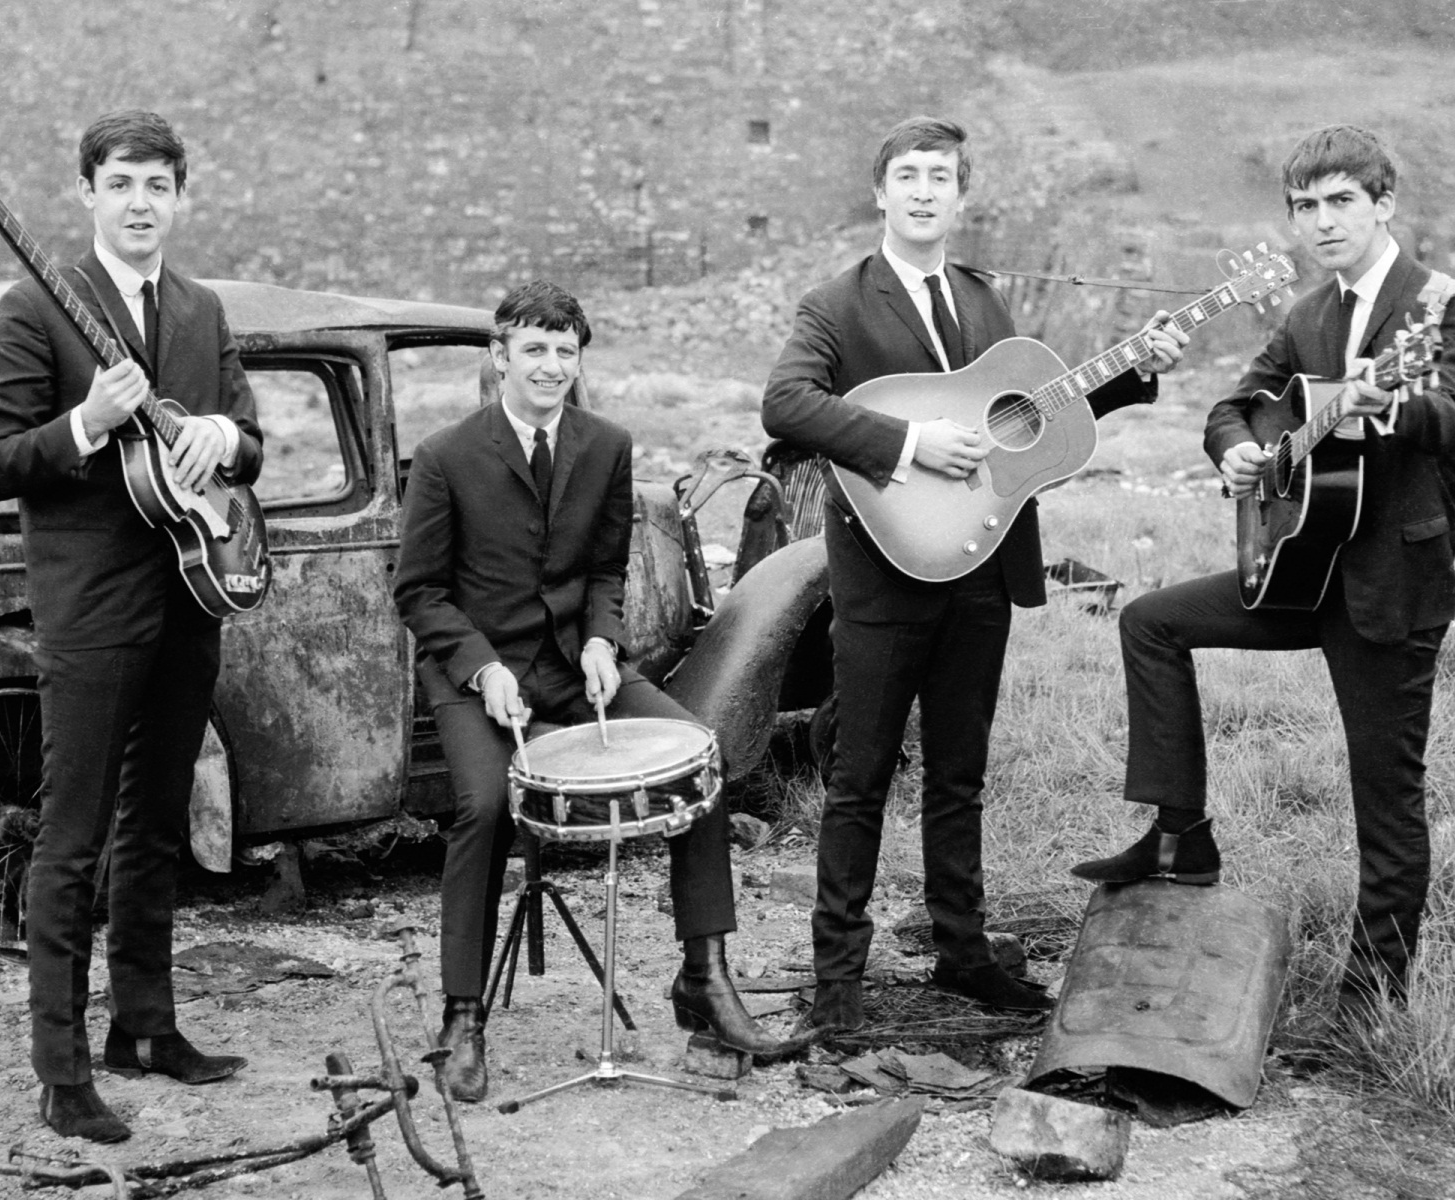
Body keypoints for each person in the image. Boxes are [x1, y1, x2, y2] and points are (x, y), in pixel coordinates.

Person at [761, 116, 1186, 1032]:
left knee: (961, 776)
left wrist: (1134, 370)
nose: (924, 191)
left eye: (941, 177)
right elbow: (786, 404)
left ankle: (963, 953)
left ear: (961, 196)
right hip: (882, 575)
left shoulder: (985, 304)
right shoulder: (836, 304)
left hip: (983, 568)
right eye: (908, 175)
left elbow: (1030, 415)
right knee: (859, 779)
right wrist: (910, 441)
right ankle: (838, 983)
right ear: (880, 193)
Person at [1072, 125, 1455, 1023]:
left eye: (1342, 201)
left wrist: (1385, 403)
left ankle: (1369, 1006)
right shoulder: (1308, 315)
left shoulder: (1442, 305)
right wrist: (1239, 451)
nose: (1323, 221)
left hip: (1387, 588)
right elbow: (1233, 407)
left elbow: (1454, 416)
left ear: (1383, 204)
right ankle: (1180, 837)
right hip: (1299, 570)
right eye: (1306, 206)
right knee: (1150, 621)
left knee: (1384, 801)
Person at [393, 281, 790, 1103]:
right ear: (500, 357)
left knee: (699, 759)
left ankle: (704, 978)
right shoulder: (444, 456)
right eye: (533, 350)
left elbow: (606, 569)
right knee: (482, 807)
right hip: (480, 673)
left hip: (577, 667)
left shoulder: (607, 444)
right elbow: (419, 592)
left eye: (564, 352)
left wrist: (605, 641)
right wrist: (484, 670)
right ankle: (462, 1017)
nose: (550, 366)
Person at [0, 109, 264, 1143]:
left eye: (158, 186)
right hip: (91, 609)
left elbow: (252, 442)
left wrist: (218, 434)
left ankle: (143, 1026)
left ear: (181, 197)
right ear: (88, 194)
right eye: (123, 184)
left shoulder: (199, 307)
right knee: (72, 836)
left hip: (190, 594)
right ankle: (62, 1073)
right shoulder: (34, 307)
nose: (141, 204)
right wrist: (87, 422)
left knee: (157, 822)